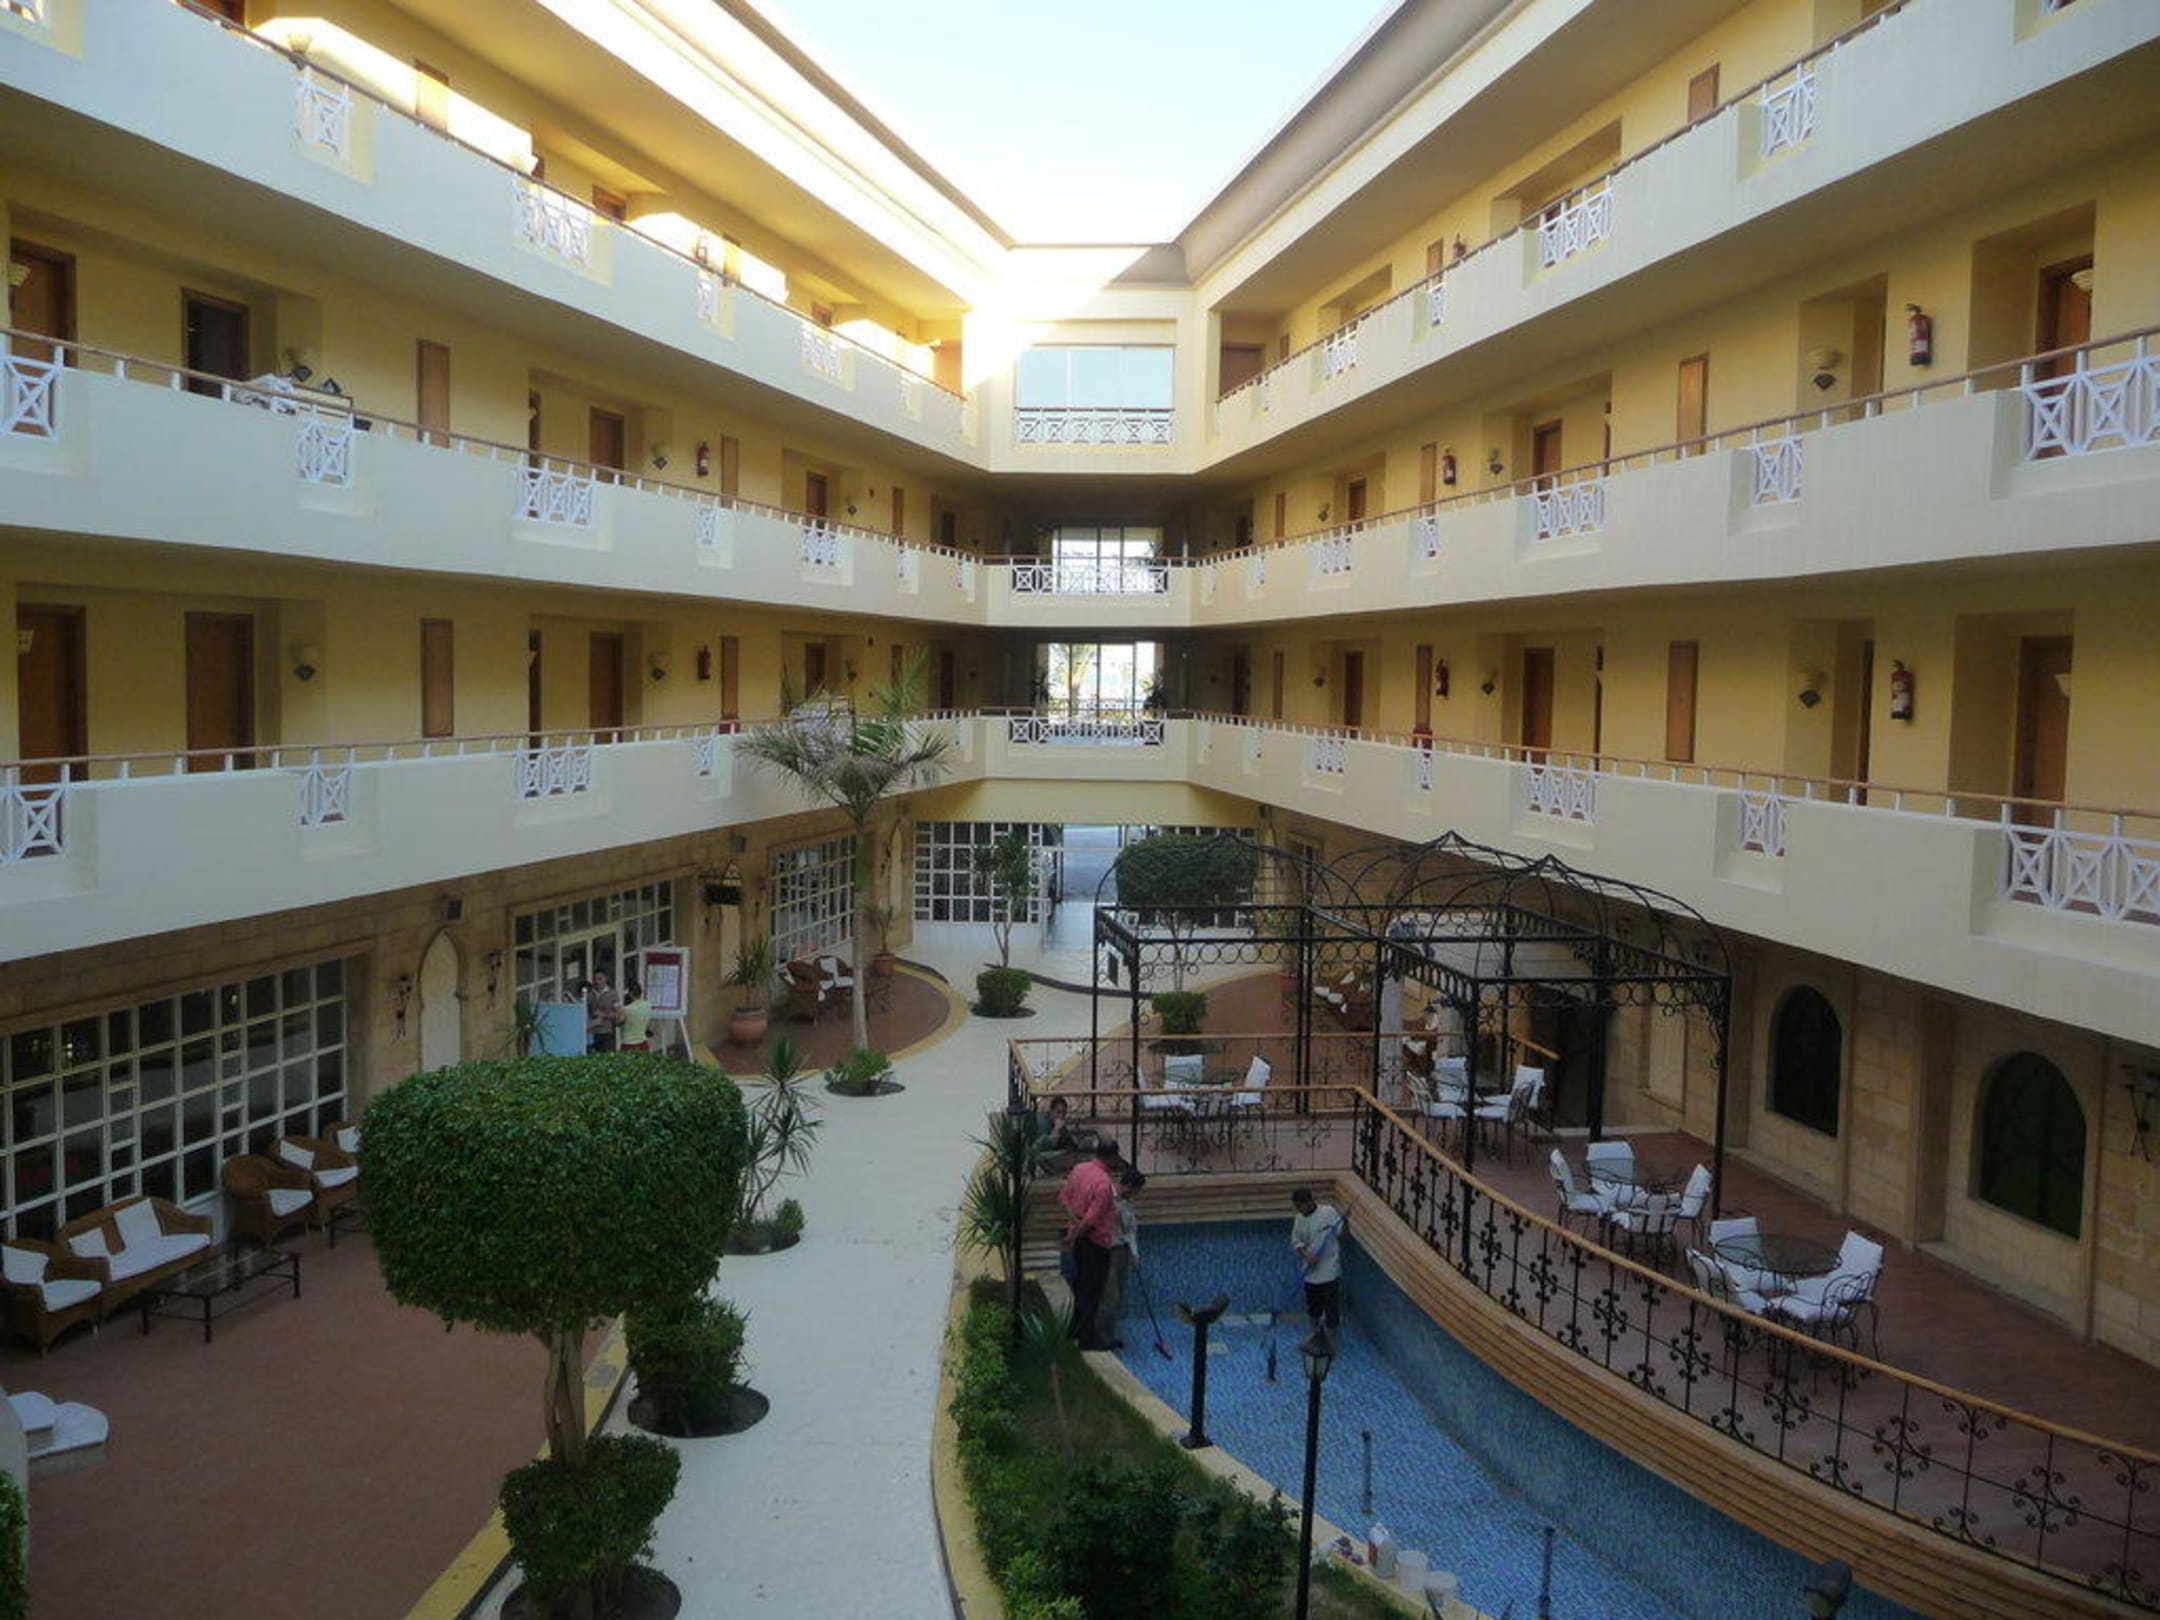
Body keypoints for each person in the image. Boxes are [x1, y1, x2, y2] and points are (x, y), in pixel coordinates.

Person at [1060, 1138, 1121, 1351]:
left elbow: (1064, 1198)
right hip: (1095, 1243)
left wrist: (1074, 1222)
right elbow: (1091, 1220)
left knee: (1080, 1286)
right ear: (1113, 1157)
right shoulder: (1103, 1184)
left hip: (1079, 1238)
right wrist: (1076, 1233)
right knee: (1092, 1291)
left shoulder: (1079, 1169)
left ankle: (1075, 1330)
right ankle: (1087, 1339)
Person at [1100, 1169, 1146, 1345]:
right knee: (1109, 1298)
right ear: (1128, 1186)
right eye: (1136, 1191)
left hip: (1123, 1251)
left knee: (1117, 1297)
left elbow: (1131, 1230)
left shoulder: (1128, 1203)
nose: (1136, 1195)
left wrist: (1134, 1253)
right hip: (1107, 1252)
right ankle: (1101, 1337)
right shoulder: (1107, 1198)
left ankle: (1109, 1335)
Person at [1290, 1187, 1345, 1333]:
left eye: (1300, 1207)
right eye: (1296, 1207)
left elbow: (1341, 1233)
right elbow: (1296, 1242)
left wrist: (1345, 1221)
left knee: (1331, 1310)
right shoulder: (1299, 1219)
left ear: (1309, 1202)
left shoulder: (1328, 1212)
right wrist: (1306, 1254)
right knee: (1313, 1309)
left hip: (1329, 1272)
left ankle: (1332, 1337)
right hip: (1310, 1273)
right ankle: (1313, 1333)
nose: (1298, 1210)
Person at [585, 971, 623, 1053]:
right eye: (595, 979)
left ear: (605, 979)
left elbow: (618, 1013)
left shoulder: (613, 994)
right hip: (592, 1033)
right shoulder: (589, 994)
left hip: (607, 1032)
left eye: (599, 979)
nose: (597, 982)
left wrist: (604, 1015)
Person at [617, 980, 654, 1052]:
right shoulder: (648, 1005)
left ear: (630, 994)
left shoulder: (626, 1009)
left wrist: (618, 1011)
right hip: (643, 1041)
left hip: (628, 1042)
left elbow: (618, 1023)